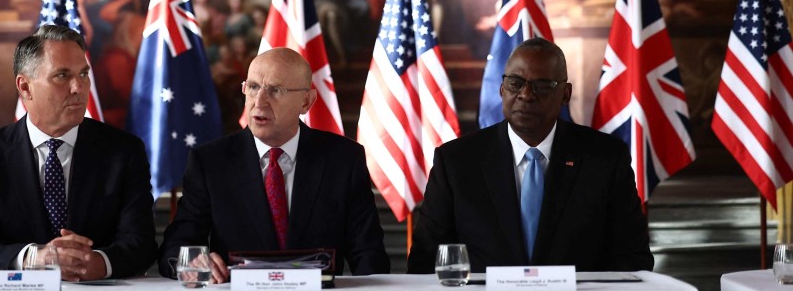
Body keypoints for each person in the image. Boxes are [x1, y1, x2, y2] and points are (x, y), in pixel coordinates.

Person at [407, 37, 653, 273]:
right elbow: (425, 262)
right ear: (502, 89)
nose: (526, 95)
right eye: (515, 83)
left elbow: (633, 258)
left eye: (542, 86)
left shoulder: (605, 159)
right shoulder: (456, 162)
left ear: (565, 94)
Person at [158, 47, 389, 282]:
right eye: (253, 87)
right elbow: (176, 249)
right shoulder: (210, 161)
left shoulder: (343, 159)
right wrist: (193, 264)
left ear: (306, 101)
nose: (259, 101)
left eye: (276, 90)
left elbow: (368, 254)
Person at [0, 25, 156, 280]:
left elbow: (142, 244)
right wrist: (34, 259)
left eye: (83, 74)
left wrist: (99, 263)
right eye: (62, 76)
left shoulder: (124, 151)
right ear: (25, 87)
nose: (78, 87)